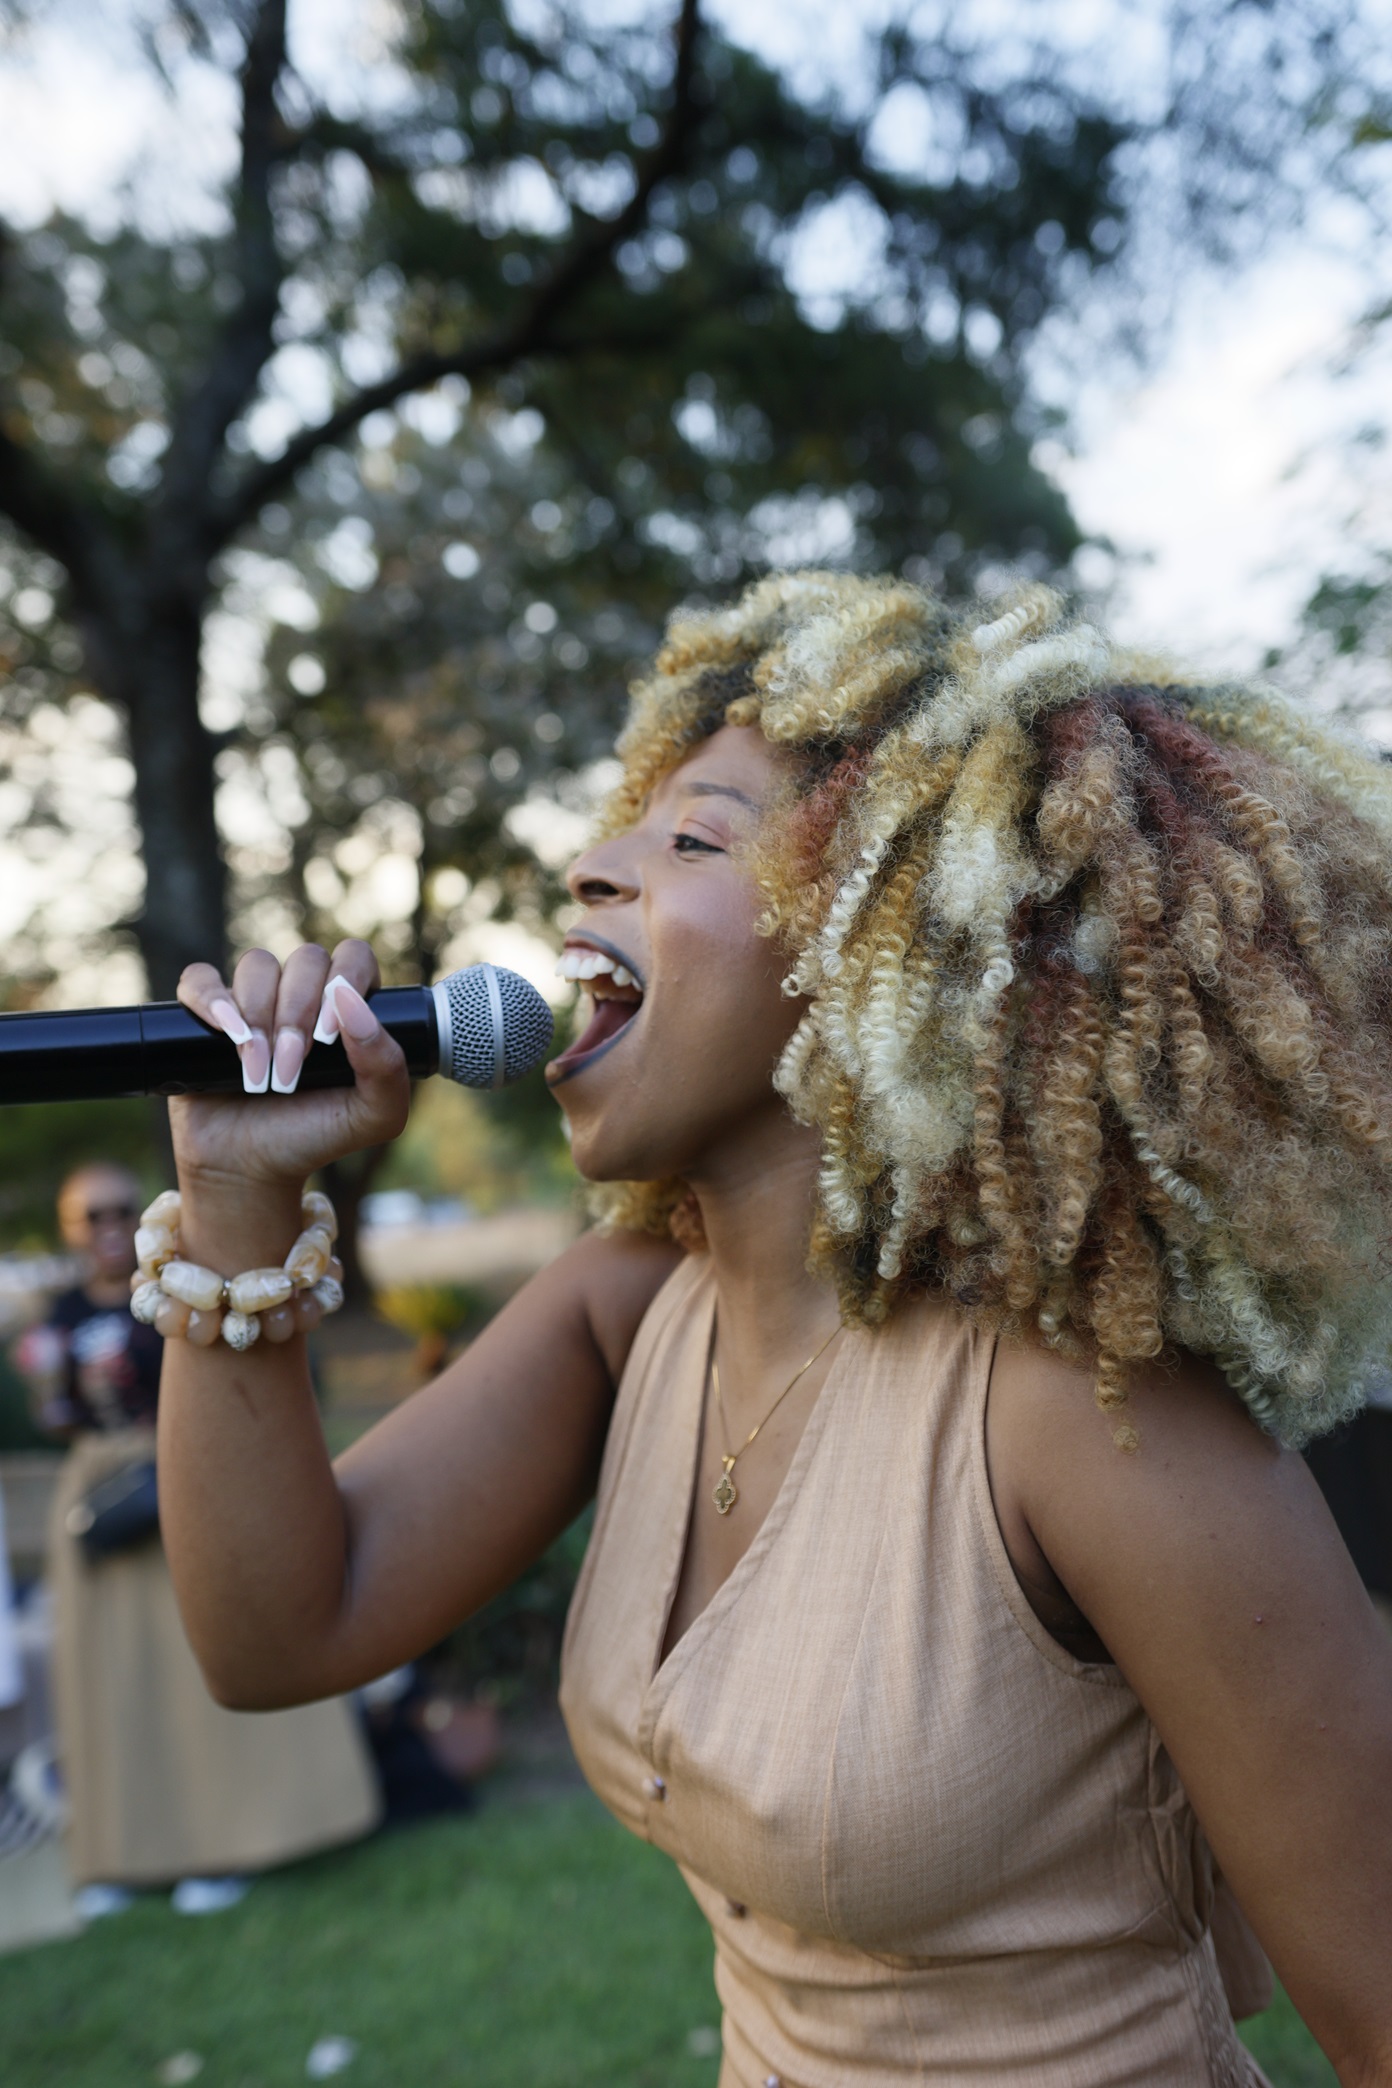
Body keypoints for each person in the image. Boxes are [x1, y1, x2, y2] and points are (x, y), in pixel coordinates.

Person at [158, 575, 1391, 2084]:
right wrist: (235, 1203)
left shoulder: (1087, 1411)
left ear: (899, 947)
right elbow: (280, 1631)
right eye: (626, 828)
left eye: (694, 840)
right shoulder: (629, 1314)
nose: (589, 868)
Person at [18, 1164, 380, 1917]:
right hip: (101, 1498)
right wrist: (47, 1387)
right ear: (69, 1229)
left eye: (121, 1209)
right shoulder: (57, 1315)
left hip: (181, 1473)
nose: (108, 1226)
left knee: (207, 1660)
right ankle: (124, 1855)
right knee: (112, 1683)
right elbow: (57, 1416)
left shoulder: (186, 1280)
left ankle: (229, 1840)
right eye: (90, 1216)